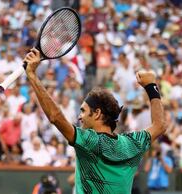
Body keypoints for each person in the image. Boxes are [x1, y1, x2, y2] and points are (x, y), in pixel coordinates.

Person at [23, 48, 165, 193]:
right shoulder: (132, 143)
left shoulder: (88, 141)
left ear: (97, 113)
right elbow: (160, 125)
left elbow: (55, 116)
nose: (80, 117)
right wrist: (150, 86)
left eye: (83, 111)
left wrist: (32, 75)